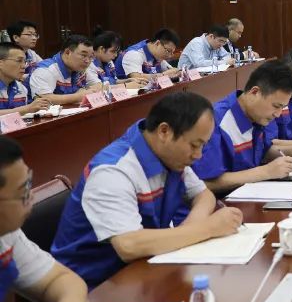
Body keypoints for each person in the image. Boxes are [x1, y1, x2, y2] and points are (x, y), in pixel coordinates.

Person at [51, 93, 244, 288]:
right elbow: (129, 245)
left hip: (143, 270)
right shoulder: (114, 170)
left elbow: (203, 195)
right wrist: (207, 228)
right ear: (164, 131)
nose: (198, 155)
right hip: (91, 286)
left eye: (203, 146)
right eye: (194, 145)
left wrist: (190, 230)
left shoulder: (169, 155)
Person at [0, 136, 118, 302]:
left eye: (29, 182)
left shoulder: (6, 235)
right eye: (22, 192)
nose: (31, 198)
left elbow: (60, 279)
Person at [192, 61, 292, 195]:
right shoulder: (216, 122)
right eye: (276, 106)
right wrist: (265, 172)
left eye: (282, 107)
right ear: (255, 92)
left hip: (251, 193)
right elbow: (205, 183)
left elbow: (263, 151)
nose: (278, 114)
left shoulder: (257, 114)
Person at [28, 35, 94, 105]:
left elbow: (95, 86)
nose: (87, 61)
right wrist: (78, 97)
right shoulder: (45, 70)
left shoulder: (78, 67)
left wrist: (84, 92)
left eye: (91, 57)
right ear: (67, 52)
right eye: (83, 55)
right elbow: (43, 99)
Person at [0, 43, 48, 115]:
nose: (24, 66)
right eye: (19, 61)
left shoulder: (21, 88)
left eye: (24, 62)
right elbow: (24, 110)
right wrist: (26, 109)